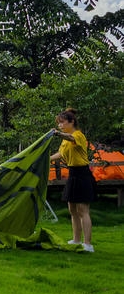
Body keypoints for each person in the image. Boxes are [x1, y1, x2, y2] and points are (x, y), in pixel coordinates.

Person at [50, 108, 95, 252]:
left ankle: (87, 244)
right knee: (72, 209)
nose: (60, 125)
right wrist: (47, 158)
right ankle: (76, 240)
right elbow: (61, 154)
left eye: (62, 123)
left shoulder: (78, 135)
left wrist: (58, 134)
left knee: (83, 210)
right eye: (58, 124)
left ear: (72, 122)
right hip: (73, 174)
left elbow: (70, 138)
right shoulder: (65, 140)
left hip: (83, 174)